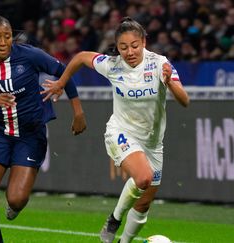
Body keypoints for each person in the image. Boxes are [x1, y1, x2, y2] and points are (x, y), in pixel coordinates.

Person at [42, 17, 189, 243]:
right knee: (143, 178)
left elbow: (185, 100)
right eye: (123, 47)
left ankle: (123, 241)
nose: (129, 52)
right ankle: (114, 219)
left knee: (144, 204)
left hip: (152, 143)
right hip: (121, 131)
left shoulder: (159, 64)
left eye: (134, 46)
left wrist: (169, 83)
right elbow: (81, 57)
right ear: (117, 47)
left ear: (143, 42)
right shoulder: (112, 65)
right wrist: (61, 82)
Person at [0, 15, 86, 243]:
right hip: (0, 132)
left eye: (7, 36)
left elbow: (64, 72)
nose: (3, 42)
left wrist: (78, 111)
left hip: (30, 135)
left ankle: (17, 204)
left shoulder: (29, 55)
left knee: (16, 199)